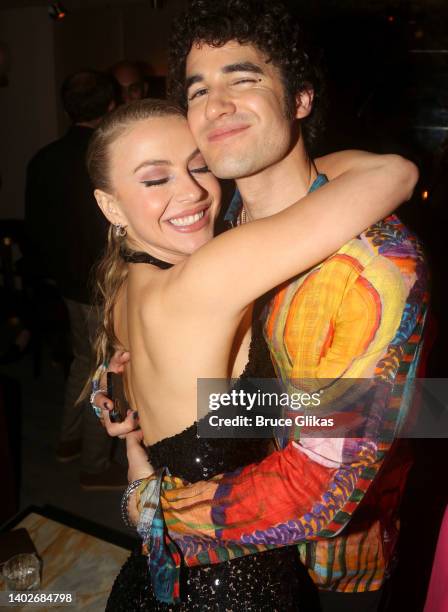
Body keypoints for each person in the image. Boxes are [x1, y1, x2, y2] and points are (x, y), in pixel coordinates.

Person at [97, 1, 428, 610]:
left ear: (300, 99)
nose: (215, 105)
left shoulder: (373, 267)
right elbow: (251, 398)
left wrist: (152, 509)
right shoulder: (211, 221)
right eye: (198, 90)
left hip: (324, 553)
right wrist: (130, 391)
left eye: (242, 79)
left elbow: (326, 481)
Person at [25, 70, 127, 489]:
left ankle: (68, 443)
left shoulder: (43, 158)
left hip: (67, 284)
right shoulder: (107, 156)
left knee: (84, 364)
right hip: (105, 284)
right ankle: (93, 465)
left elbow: (36, 228)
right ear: (110, 106)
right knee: (106, 371)